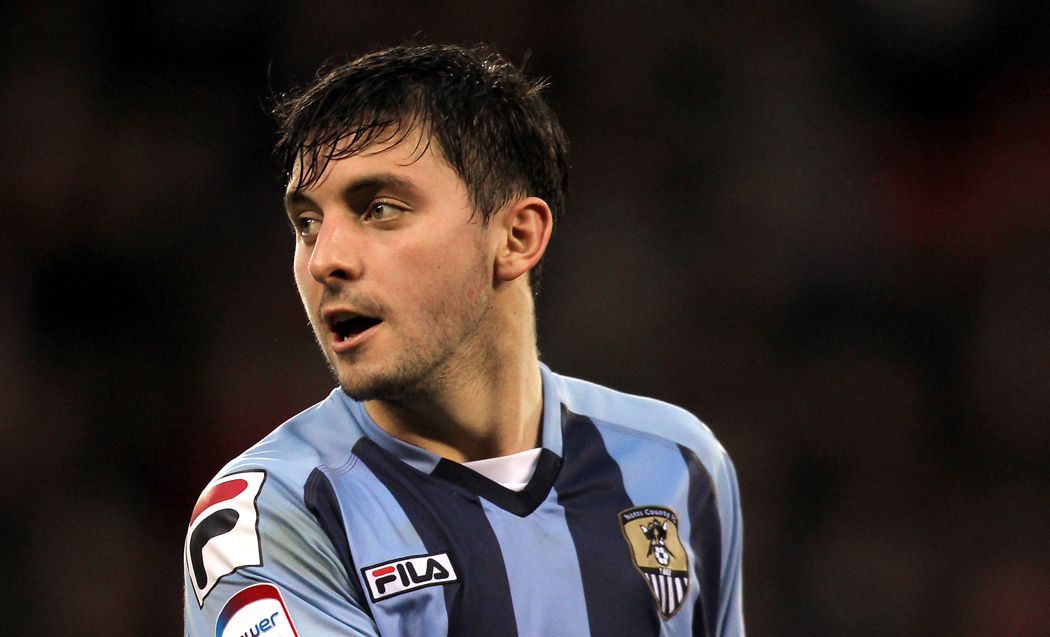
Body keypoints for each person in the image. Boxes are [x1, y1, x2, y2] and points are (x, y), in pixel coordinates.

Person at [184, 44, 745, 637]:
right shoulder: (275, 514)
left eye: (379, 209)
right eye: (307, 224)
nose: (324, 260)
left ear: (516, 237)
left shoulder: (677, 463)